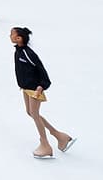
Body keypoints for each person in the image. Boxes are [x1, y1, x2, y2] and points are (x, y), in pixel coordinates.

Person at [11, 27, 75, 159]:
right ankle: (59, 136)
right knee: (30, 113)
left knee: (34, 114)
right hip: (26, 88)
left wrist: (42, 86)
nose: (9, 36)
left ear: (19, 38)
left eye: (12, 34)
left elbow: (42, 70)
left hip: (35, 89)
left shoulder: (28, 54)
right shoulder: (18, 51)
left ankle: (45, 145)